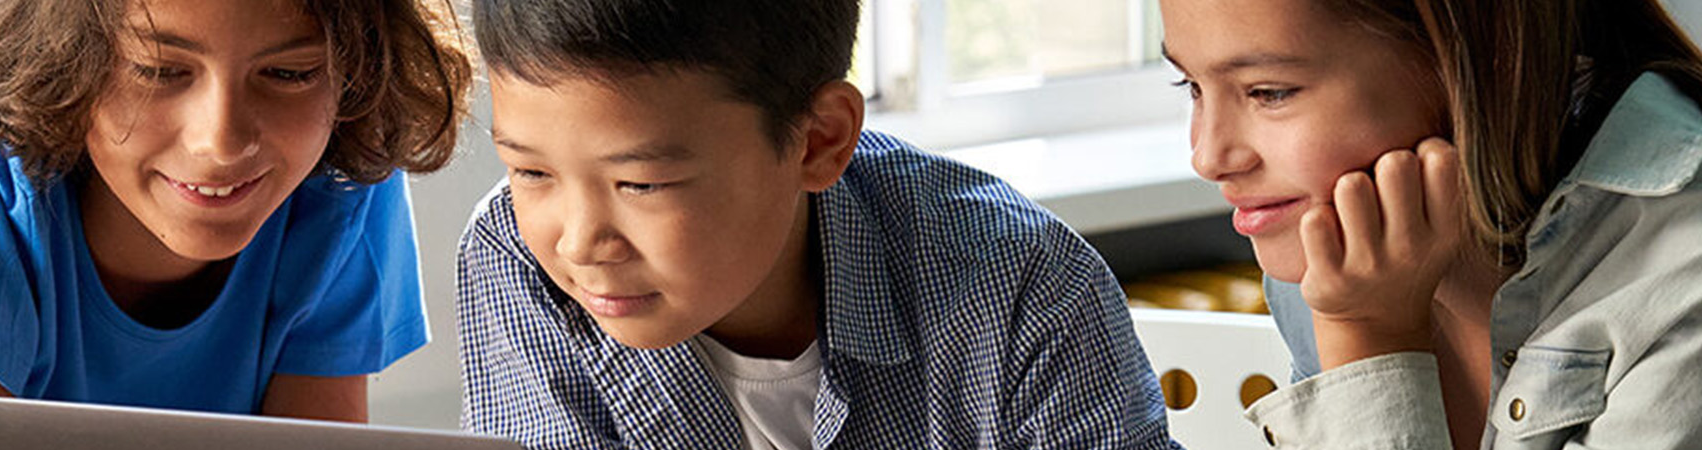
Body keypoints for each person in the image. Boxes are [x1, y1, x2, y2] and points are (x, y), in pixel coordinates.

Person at [0, 0, 471, 447]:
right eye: (161, 70)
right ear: (65, 54)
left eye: (290, 73)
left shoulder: (335, 184)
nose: (223, 140)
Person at [453, 1, 1178, 448]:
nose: (579, 241)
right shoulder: (514, 257)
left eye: (642, 182)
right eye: (530, 172)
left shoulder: (1020, 284)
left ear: (820, 139)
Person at [1161, 0, 1702, 447]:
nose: (1208, 156)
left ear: (1491, 61)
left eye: (1269, 92)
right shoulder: (1337, 257)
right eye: (1191, 86)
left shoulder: (1684, 273)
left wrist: (1367, 341)